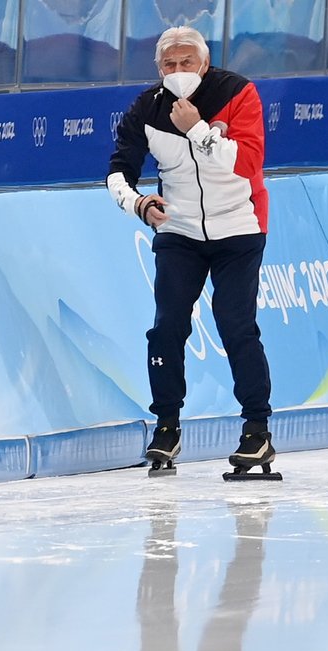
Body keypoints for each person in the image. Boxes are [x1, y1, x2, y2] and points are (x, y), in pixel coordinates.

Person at [106, 25, 276, 471]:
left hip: (239, 225)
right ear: (158, 68)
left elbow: (249, 162)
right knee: (166, 327)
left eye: (186, 63)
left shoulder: (237, 93)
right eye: (169, 64)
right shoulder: (148, 106)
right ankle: (166, 425)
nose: (178, 71)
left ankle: (256, 429)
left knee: (236, 324)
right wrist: (139, 204)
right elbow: (118, 171)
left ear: (205, 63)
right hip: (179, 231)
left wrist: (198, 128)